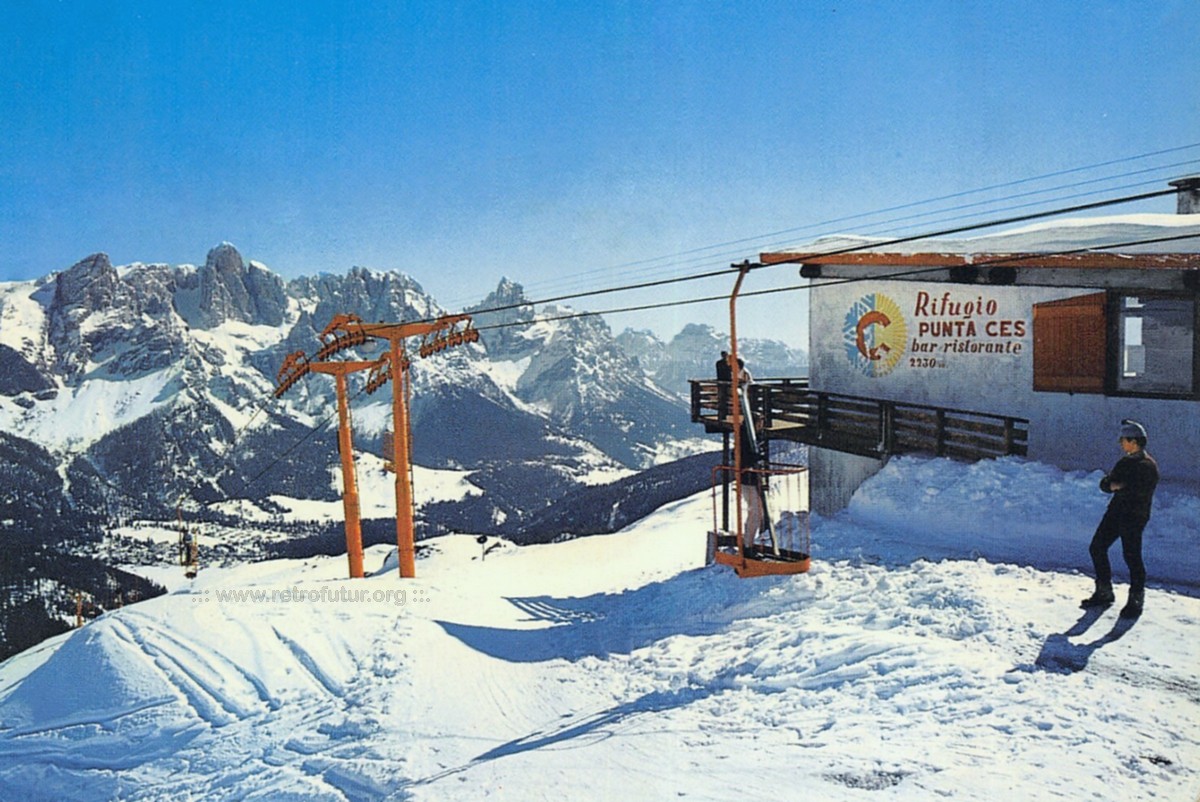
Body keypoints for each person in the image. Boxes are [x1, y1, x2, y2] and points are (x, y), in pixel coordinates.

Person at [1081, 419, 1159, 619]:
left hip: (1134, 516)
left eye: (1123, 439)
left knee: (1132, 556)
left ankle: (1136, 600)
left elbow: (1137, 490)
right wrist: (1114, 485)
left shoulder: (1147, 466)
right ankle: (1104, 591)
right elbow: (1106, 484)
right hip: (1115, 513)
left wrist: (1119, 485)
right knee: (1097, 547)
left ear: (1133, 441)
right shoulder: (1125, 462)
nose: (1120, 443)